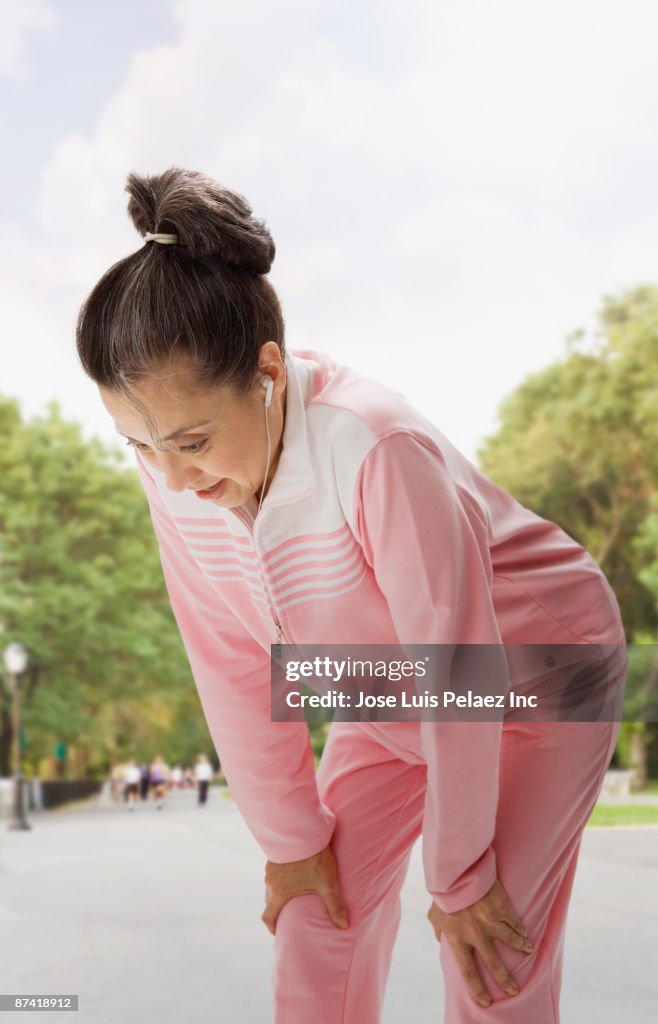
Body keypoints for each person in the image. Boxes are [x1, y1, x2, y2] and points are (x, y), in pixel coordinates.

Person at [75, 167, 628, 1023]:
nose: (173, 477)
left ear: (267, 374)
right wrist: (291, 842)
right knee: (314, 921)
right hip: (381, 690)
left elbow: (459, 669)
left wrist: (457, 873)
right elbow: (226, 658)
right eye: (141, 445)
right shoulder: (174, 473)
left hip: (536, 679)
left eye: (190, 441)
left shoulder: (374, 446)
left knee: (490, 955)